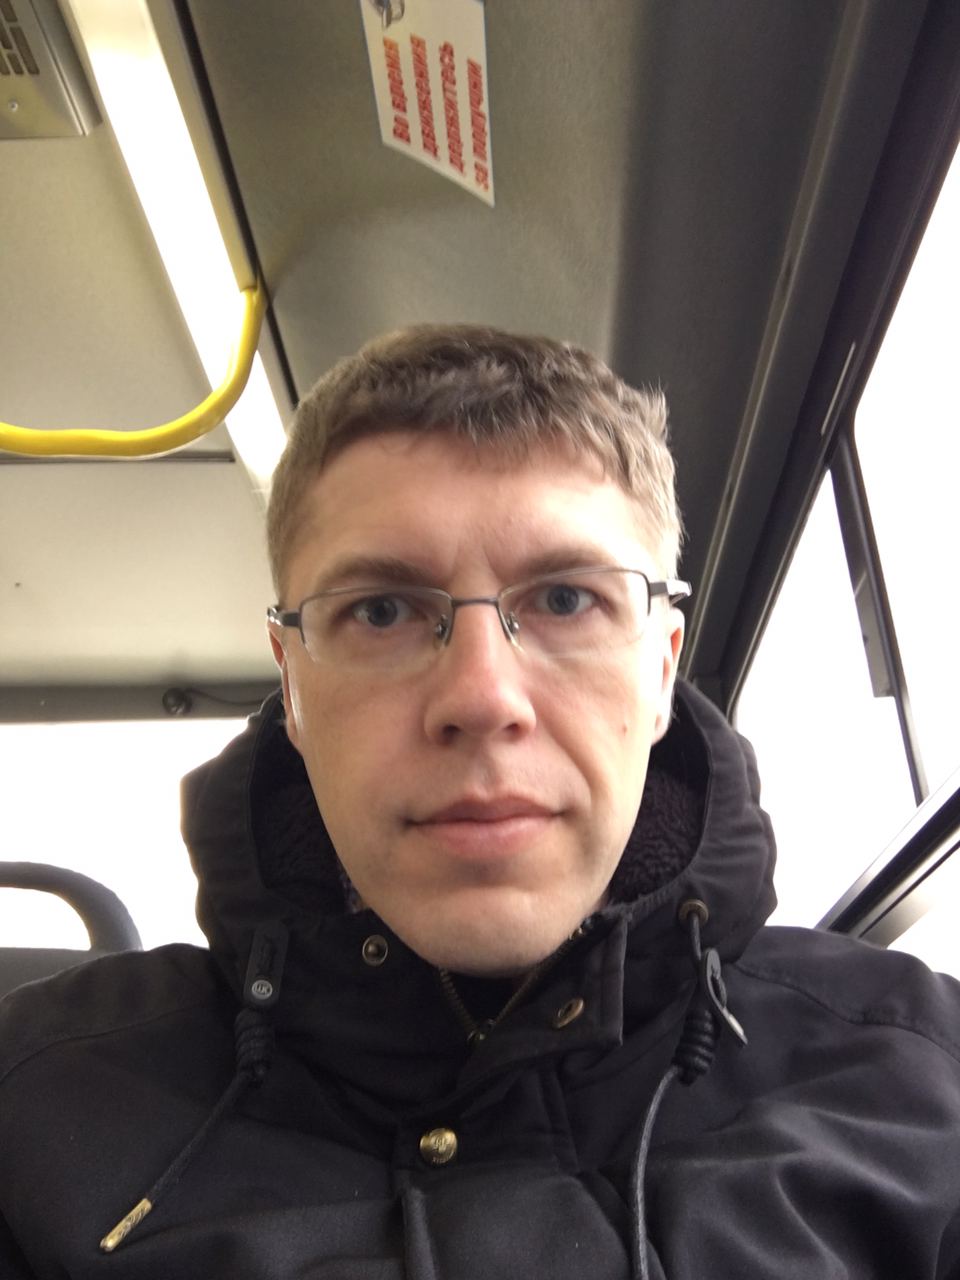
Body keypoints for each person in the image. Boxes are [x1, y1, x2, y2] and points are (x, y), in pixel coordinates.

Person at [0, 326, 958, 1279]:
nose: (482, 697)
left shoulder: (929, 1080)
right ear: (291, 684)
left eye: (567, 600)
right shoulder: (32, 1110)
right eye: (381, 611)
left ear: (662, 670)